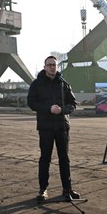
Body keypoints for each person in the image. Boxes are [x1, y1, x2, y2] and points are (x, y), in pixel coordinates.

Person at [27, 55, 80, 202]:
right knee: (45, 159)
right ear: (44, 67)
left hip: (62, 127)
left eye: (54, 65)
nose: (52, 67)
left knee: (65, 159)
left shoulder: (63, 84)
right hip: (46, 127)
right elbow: (31, 103)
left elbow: (73, 104)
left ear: (57, 67)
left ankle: (67, 189)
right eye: (49, 65)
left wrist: (62, 109)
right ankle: (43, 190)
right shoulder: (36, 84)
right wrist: (48, 109)